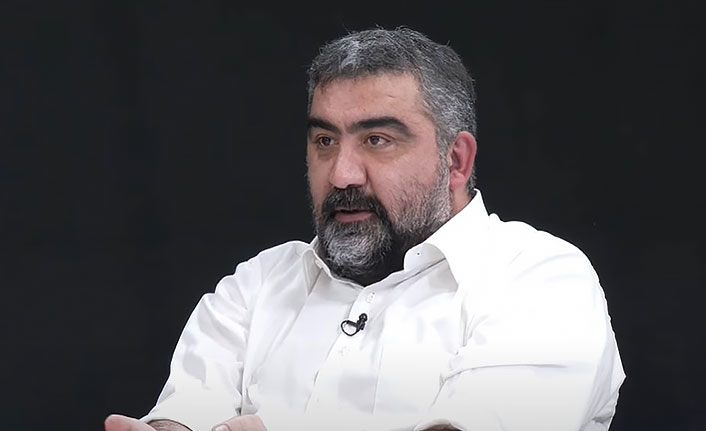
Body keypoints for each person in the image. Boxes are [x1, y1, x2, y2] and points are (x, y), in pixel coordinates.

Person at [105, 27, 625, 431]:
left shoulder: (541, 279)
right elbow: (185, 414)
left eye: (377, 140)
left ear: (456, 161)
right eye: (325, 141)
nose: (342, 175)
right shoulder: (259, 284)